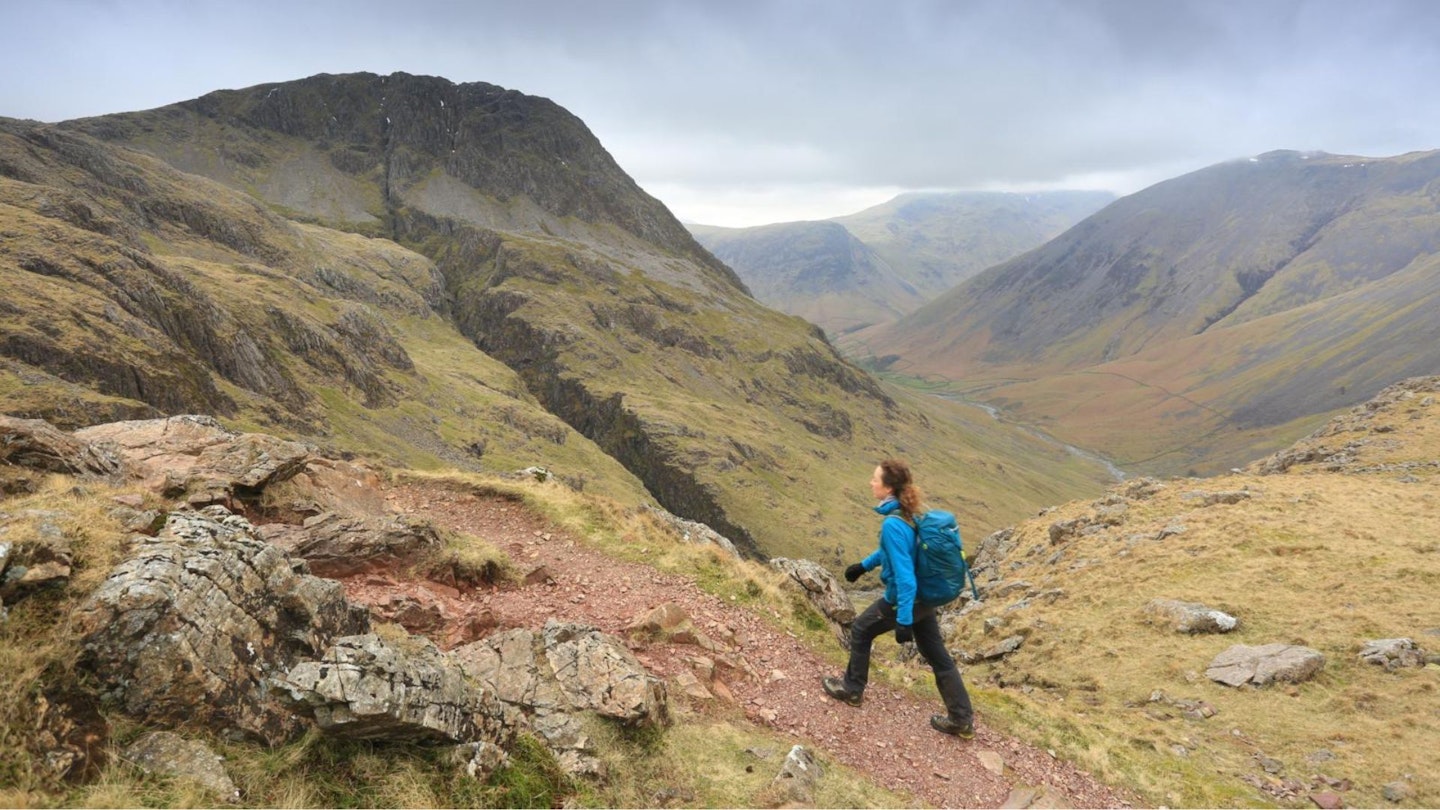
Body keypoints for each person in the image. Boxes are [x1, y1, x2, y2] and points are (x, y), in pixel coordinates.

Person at [822, 459, 976, 738]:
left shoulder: (893, 524)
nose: (871, 483)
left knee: (860, 630)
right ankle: (961, 719)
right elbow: (897, 551)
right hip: (925, 598)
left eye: (875, 479)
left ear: (889, 487)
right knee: (937, 656)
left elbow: (905, 576)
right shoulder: (909, 513)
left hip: (906, 599)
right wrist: (864, 565)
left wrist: (903, 620)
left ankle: (852, 689)